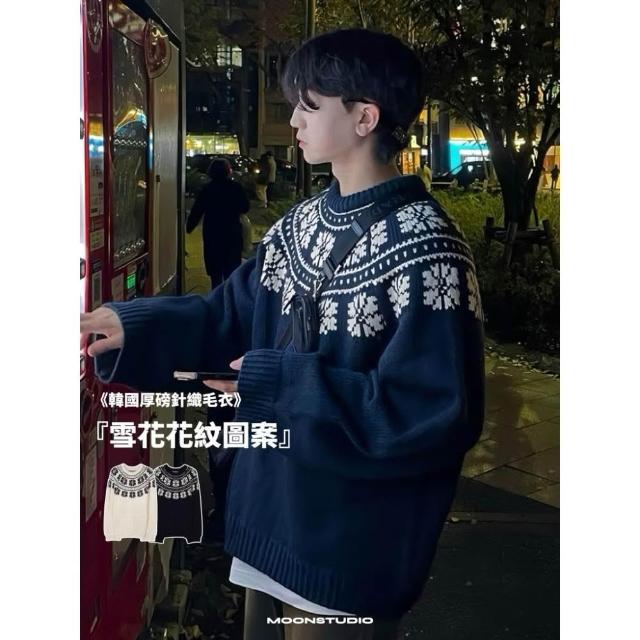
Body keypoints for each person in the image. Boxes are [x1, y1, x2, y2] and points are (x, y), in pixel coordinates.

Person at [80, 28, 485, 640]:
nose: (294, 118)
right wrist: (132, 326)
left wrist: (281, 382)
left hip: (344, 547)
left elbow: (432, 415)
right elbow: (226, 318)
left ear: (365, 118)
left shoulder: (430, 251)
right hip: (267, 521)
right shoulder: (300, 225)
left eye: (309, 104)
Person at [185, 158, 250, 290]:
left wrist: (189, 226)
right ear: (228, 171)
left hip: (212, 232)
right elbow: (245, 207)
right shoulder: (236, 188)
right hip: (231, 232)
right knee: (231, 272)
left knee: (215, 273)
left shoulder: (207, 189)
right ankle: (230, 298)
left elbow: (197, 210)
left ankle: (216, 296)